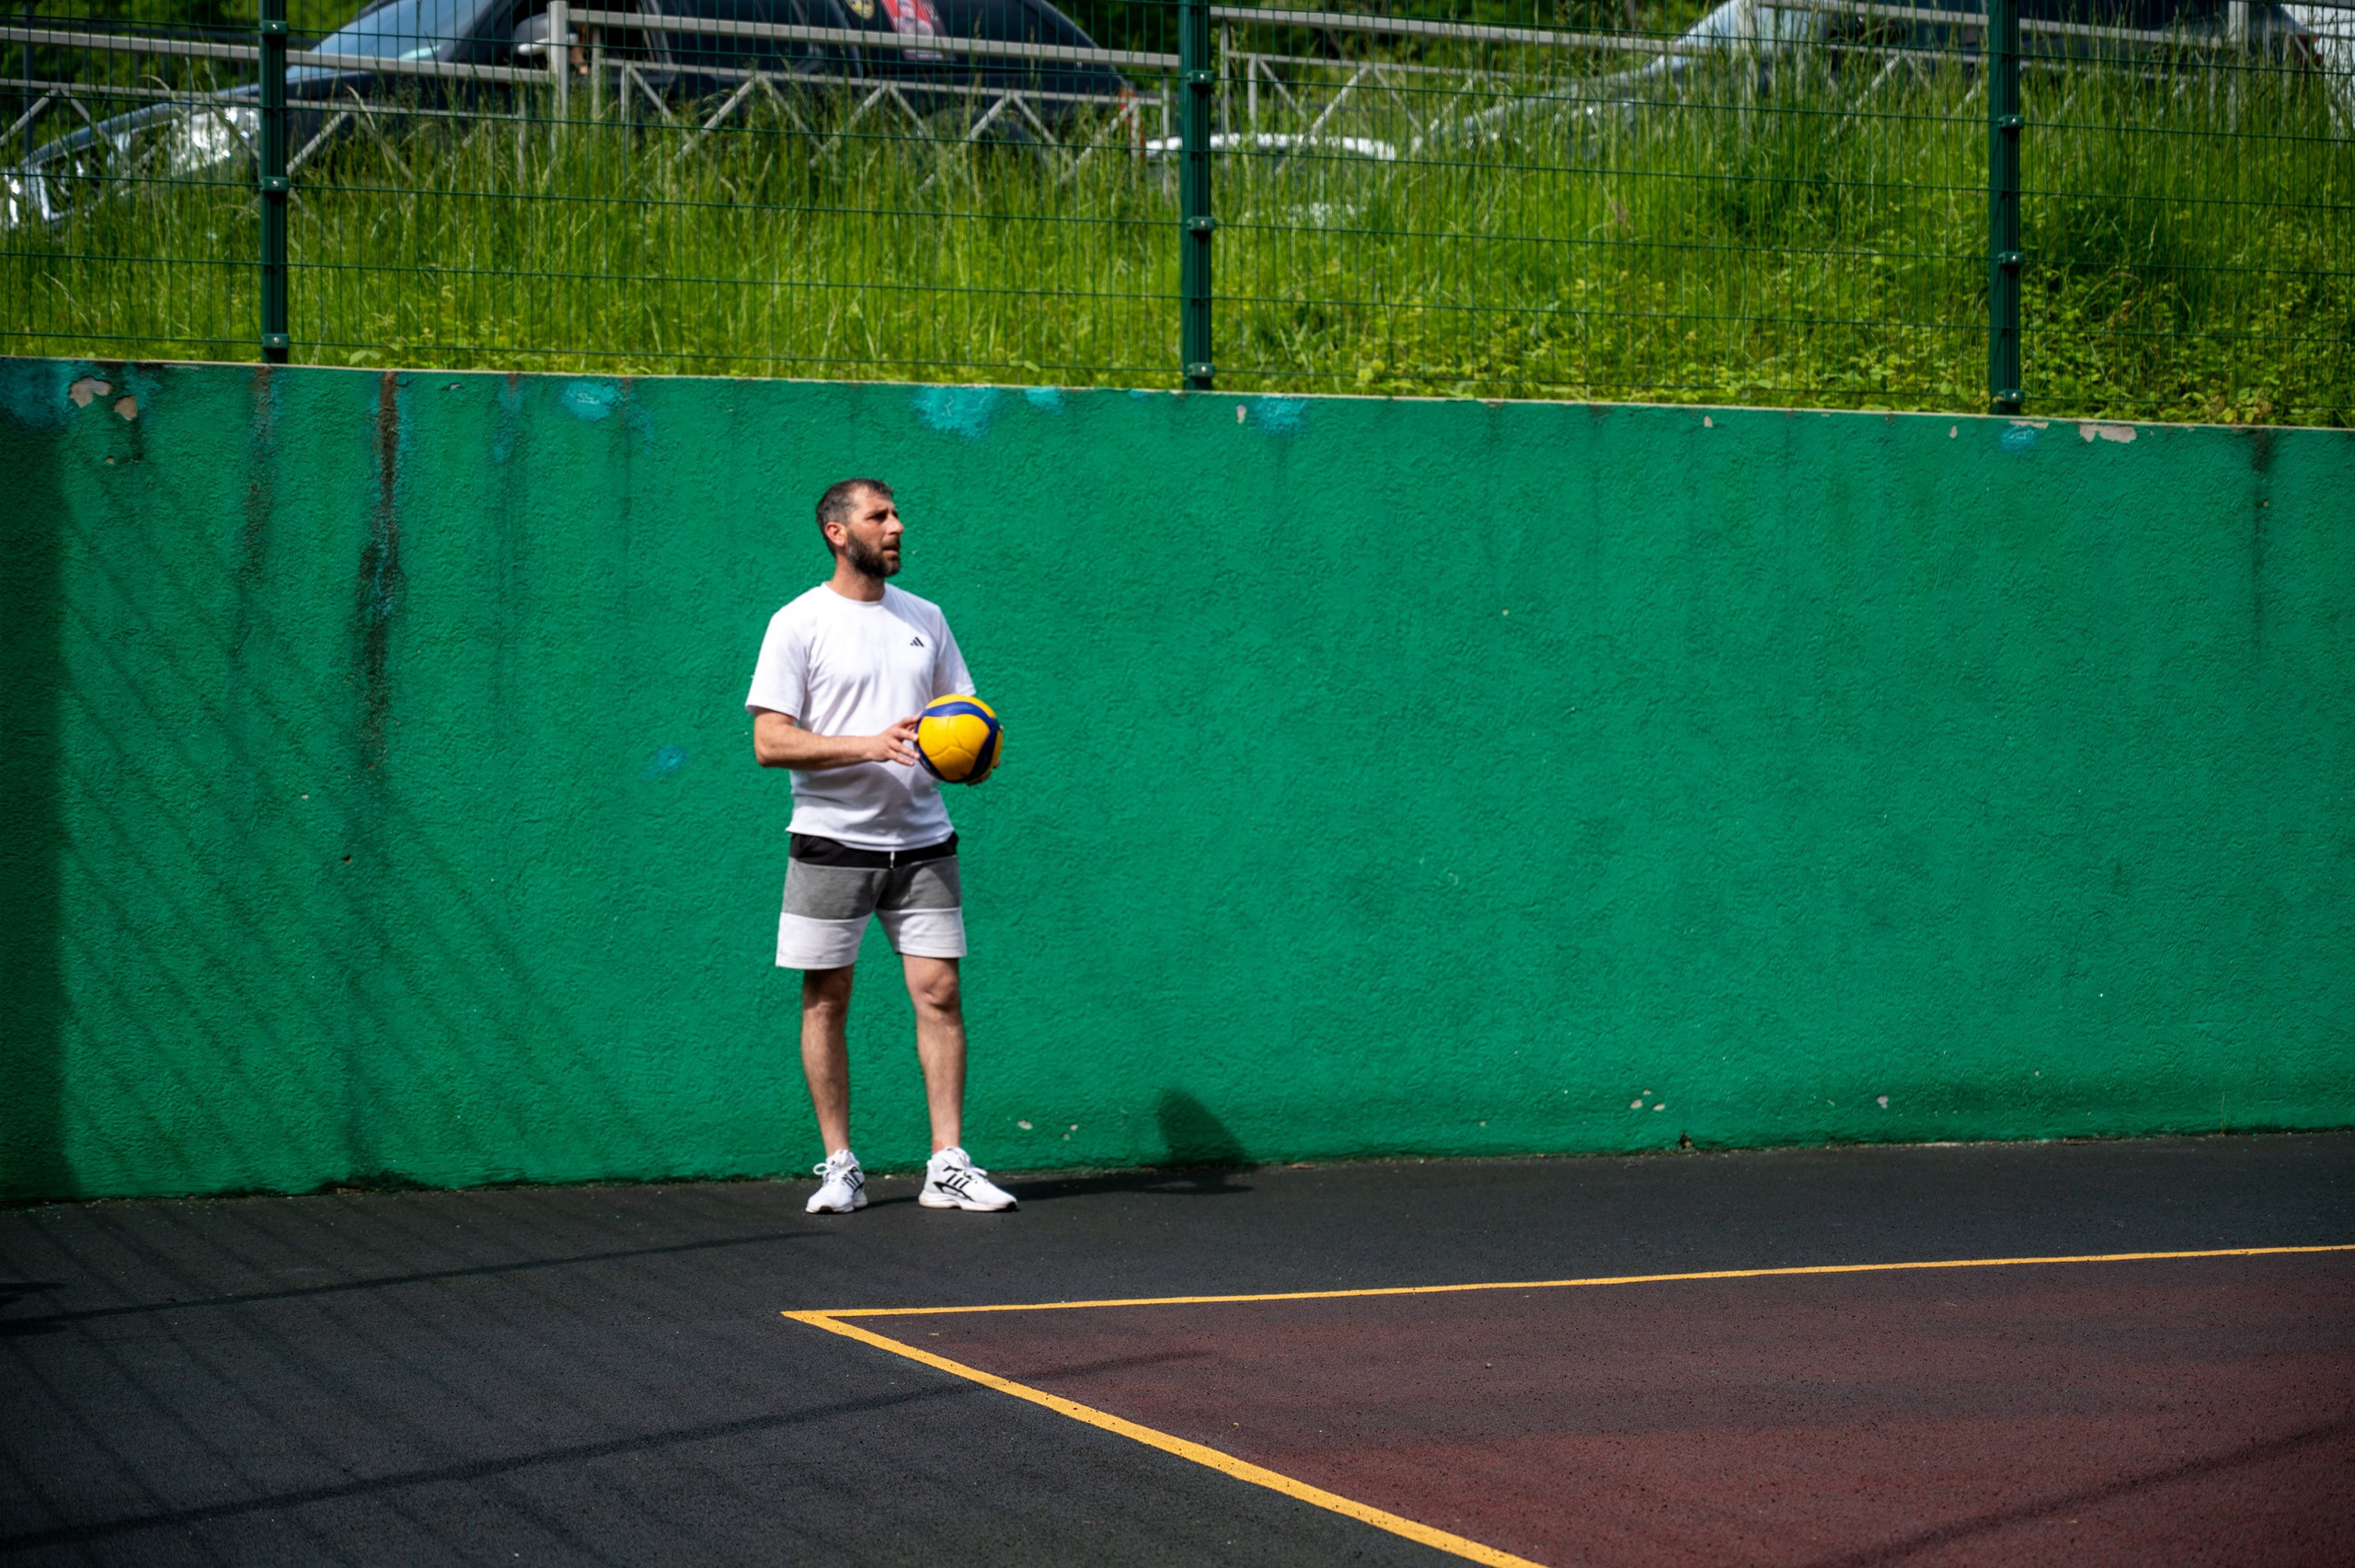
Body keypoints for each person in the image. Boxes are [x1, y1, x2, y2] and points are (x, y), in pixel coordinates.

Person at [745, 478, 1017, 1216]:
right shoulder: (797, 622)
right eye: (879, 516)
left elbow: (959, 718)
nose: (897, 526)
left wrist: (972, 757)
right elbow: (769, 741)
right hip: (830, 842)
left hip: (924, 842)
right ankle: (840, 1166)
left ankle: (947, 1164)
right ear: (838, 532)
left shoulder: (926, 618)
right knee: (826, 999)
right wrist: (870, 745)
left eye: (897, 513)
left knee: (941, 992)